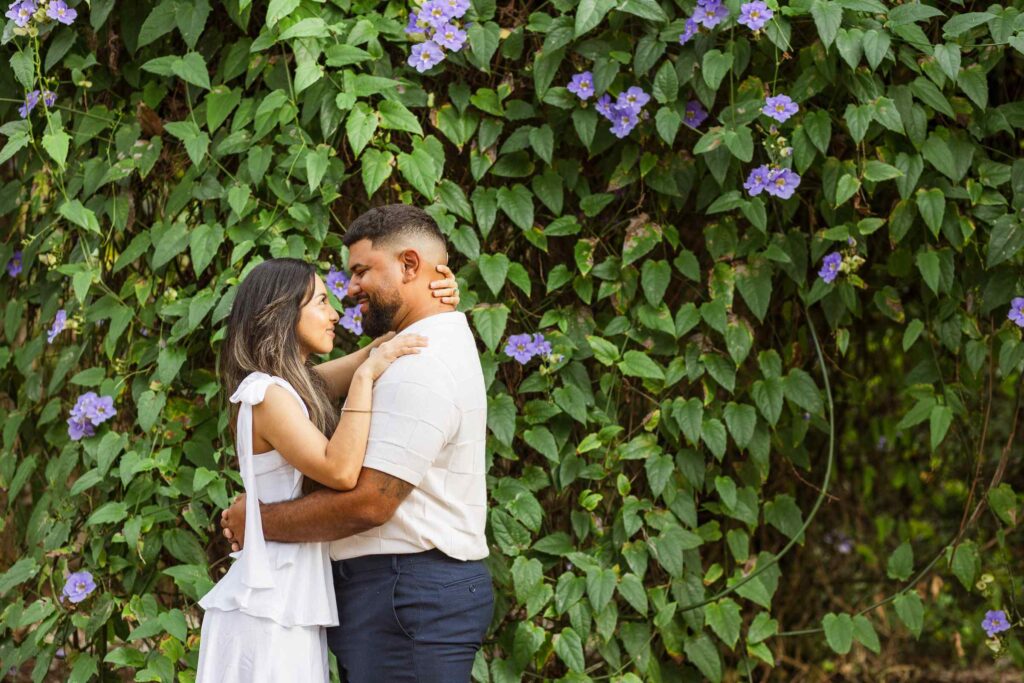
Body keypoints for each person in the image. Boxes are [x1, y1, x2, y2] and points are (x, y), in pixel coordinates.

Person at [221, 204, 493, 682]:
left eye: (361, 271)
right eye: (324, 297)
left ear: (409, 265)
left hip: (406, 593)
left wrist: (256, 522)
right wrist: (422, 311)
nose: (348, 292)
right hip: (389, 595)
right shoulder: (408, 347)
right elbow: (306, 391)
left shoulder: (422, 360)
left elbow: (367, 501)